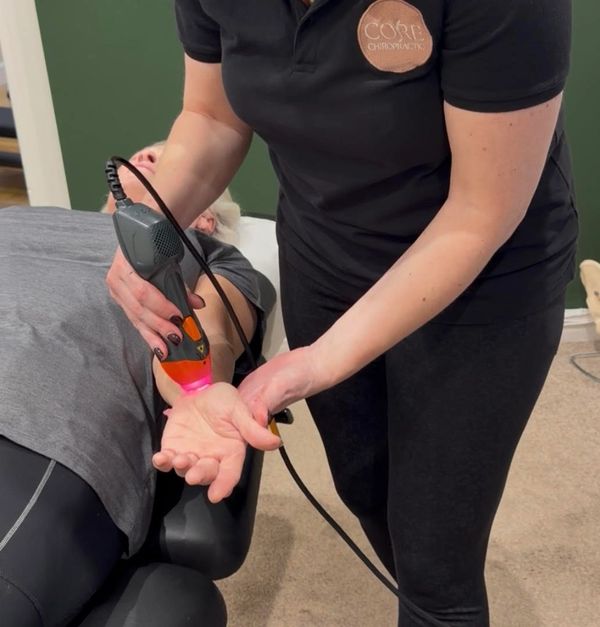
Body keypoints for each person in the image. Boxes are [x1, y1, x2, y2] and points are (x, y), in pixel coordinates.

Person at [106, 2, 578, 625]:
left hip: (484, 282)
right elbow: (212, 116)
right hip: (324, 255)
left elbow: (479, 214)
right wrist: (154, 223)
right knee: (365, 488)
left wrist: (321, 361)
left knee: (437, 562)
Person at [0, 141, 275, 626]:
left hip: (35, 418)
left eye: (170, 157)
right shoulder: (18, 217)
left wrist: (199, 393)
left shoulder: (213, 257)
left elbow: (209, 339)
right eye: (147, 151)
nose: (146, 156)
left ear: (204, 217)